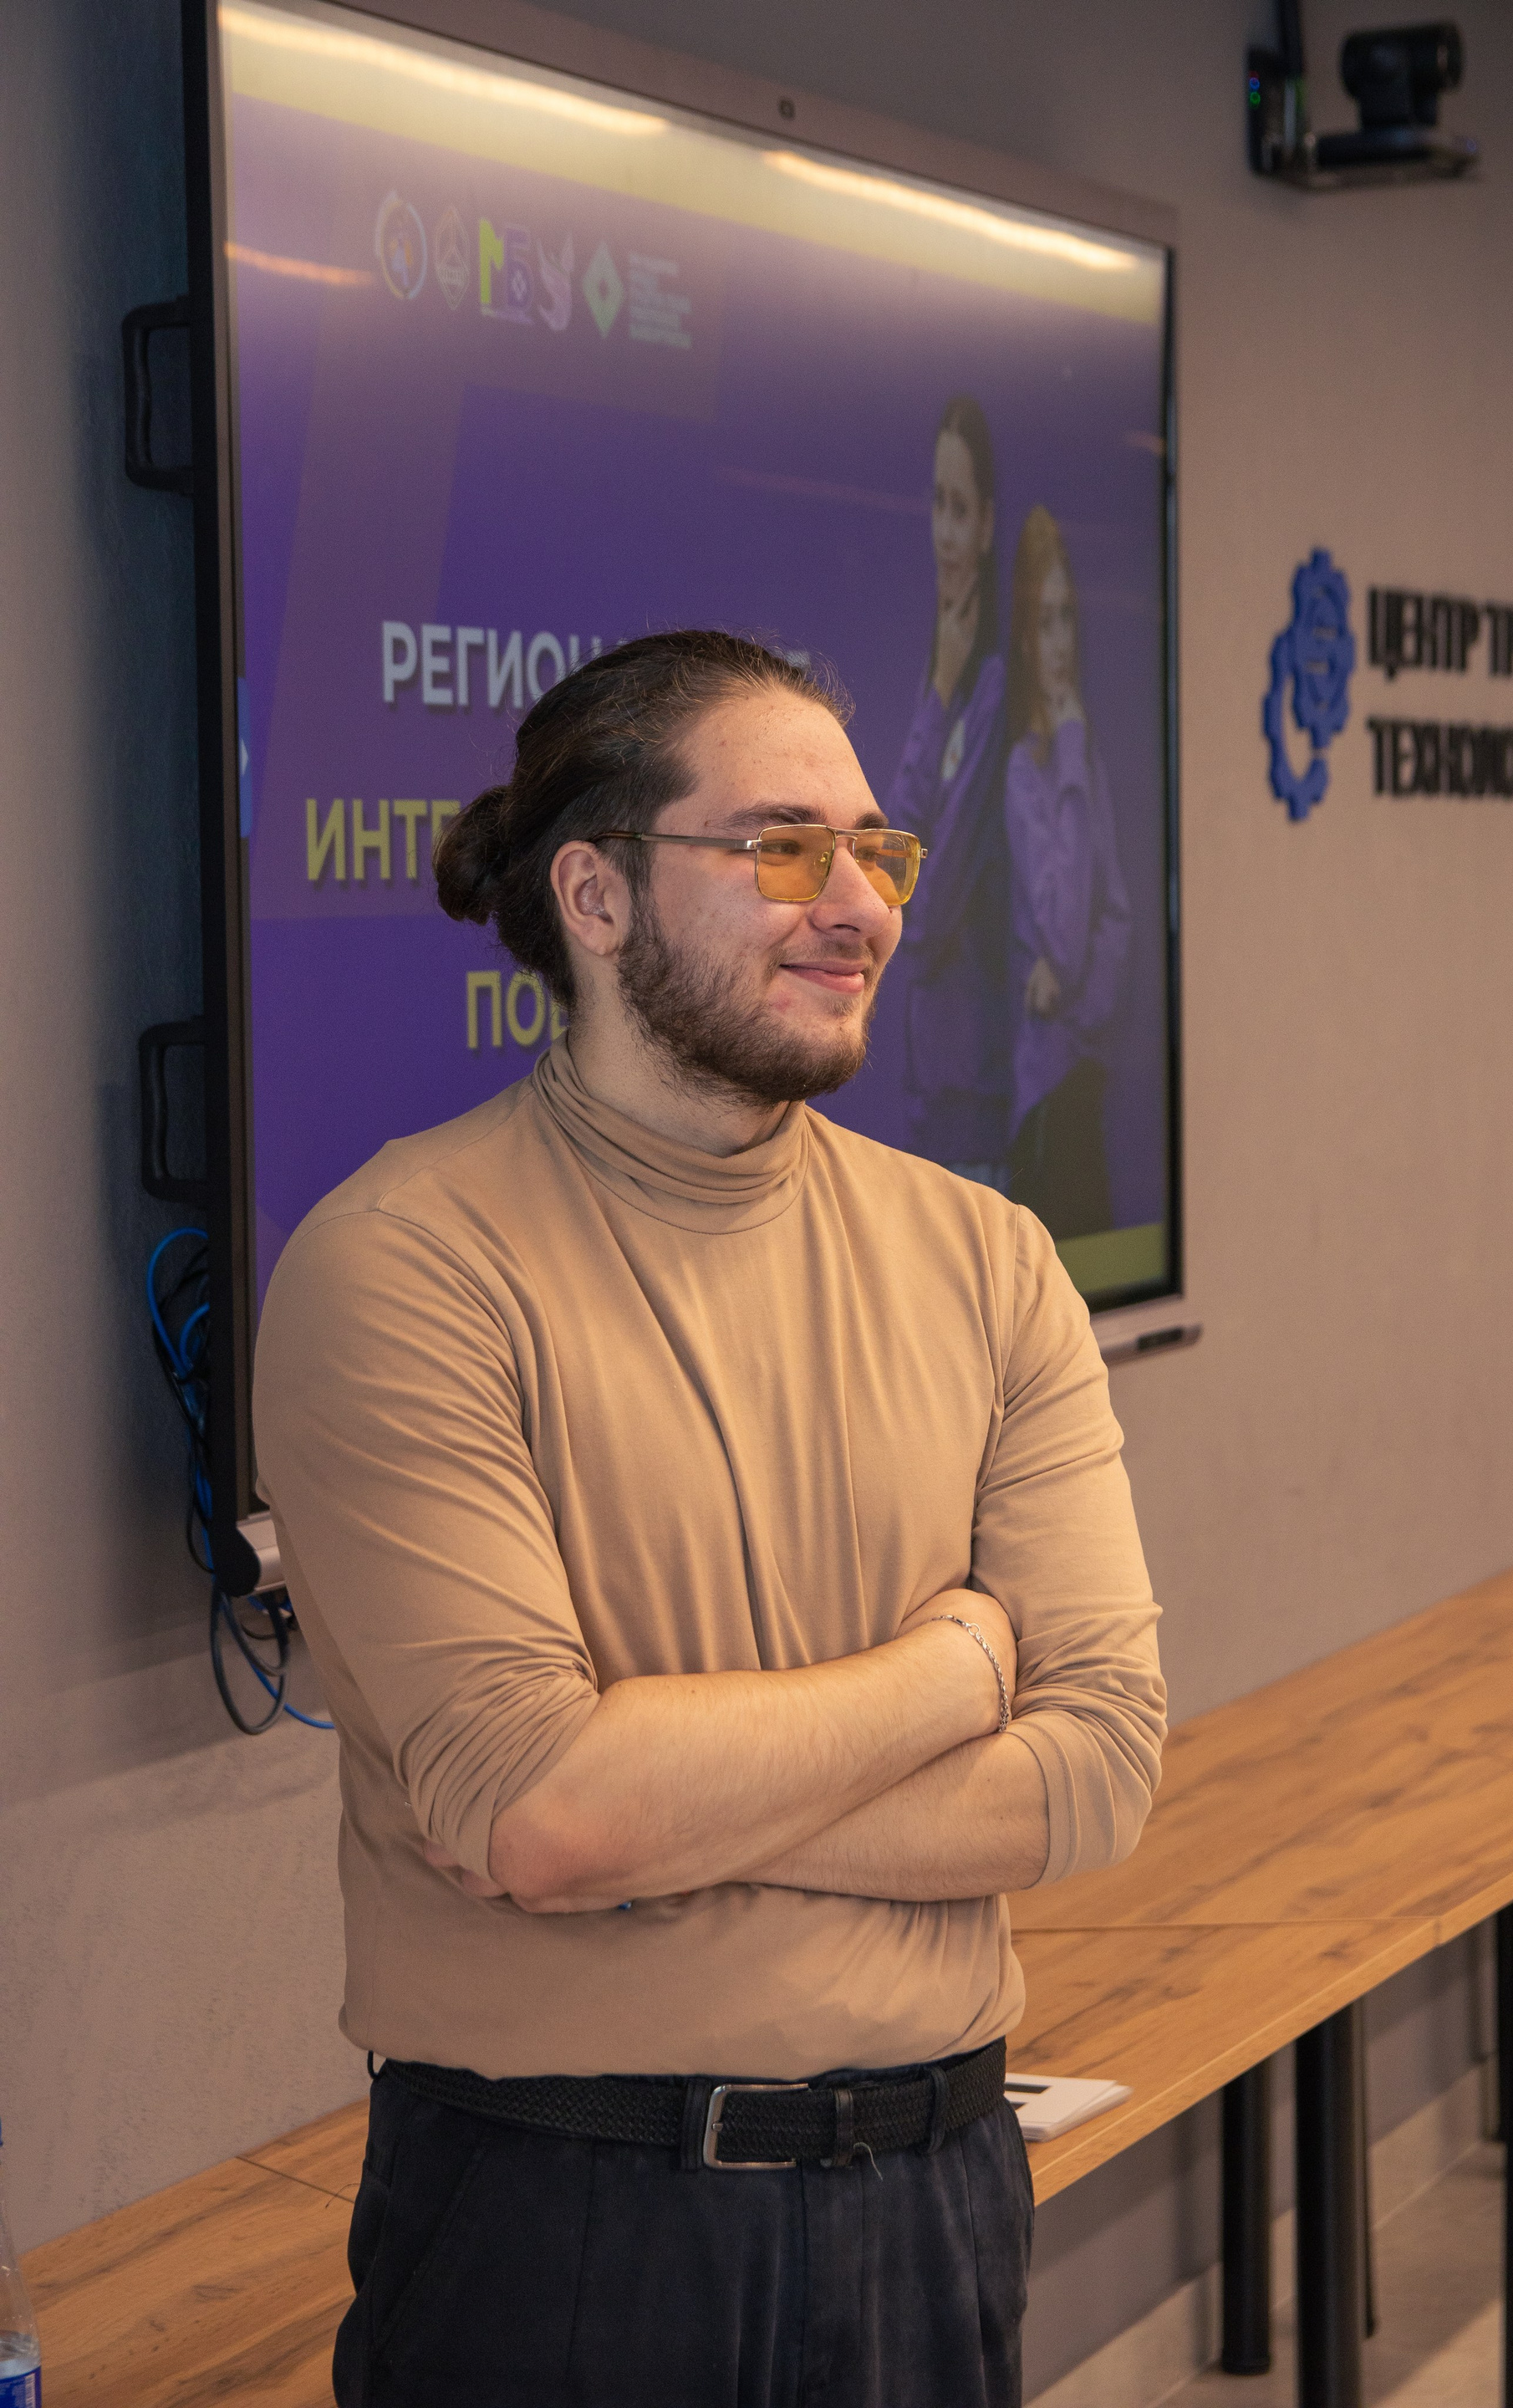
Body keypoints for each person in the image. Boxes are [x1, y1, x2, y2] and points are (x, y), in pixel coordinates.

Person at [253, 630, 1164, 2408]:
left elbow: (1101, 1771)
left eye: (876, 850)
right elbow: (538, 1811)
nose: (862, 906)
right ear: (594, 895)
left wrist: (658, 1810)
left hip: (940, 2203)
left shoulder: (990, 1262)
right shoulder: (405, 1267)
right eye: (782, 848)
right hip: (569, 2229)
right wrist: (958, 1667)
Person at [886, 395, 1012, 1182]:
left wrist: (943, 690)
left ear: (988, 527)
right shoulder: (950, 677)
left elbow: (919, 907)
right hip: (931, 1090)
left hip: (975, 1101)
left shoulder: (993, 688)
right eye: (937, 504)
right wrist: (937, 690)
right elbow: (895, 840)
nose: (944, 533)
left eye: (960, 510)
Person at [1003, 508, 1132, 1239]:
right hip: (1046, 1094)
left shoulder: (1086, 763)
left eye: (1067, 621)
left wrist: (1076, 1004)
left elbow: (1118, 919)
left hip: (1086, 1070)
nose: (1059, 642)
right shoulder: (1028, 770)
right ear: (1026, 638)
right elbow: (1065, 931)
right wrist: (1070, 967)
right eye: (1044, 623)